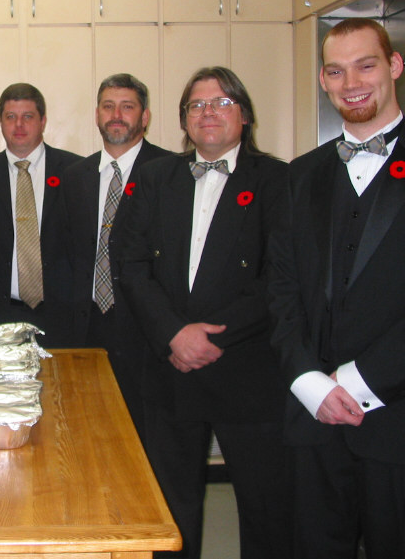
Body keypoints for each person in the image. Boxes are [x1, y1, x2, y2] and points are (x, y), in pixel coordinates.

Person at [269, 18, 405, 559]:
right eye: (336, 71)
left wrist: (357, 381)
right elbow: (280, 290)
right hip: (314, 418)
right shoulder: (298, 176)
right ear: (323, 81)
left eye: (366, 65)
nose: (351, 82)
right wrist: (309, 381)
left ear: (394, 66)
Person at [118, 67, 292, 559]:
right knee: (170, 511)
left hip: (247, 371)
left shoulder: (278, 180)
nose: (208, 112)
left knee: (265, 509)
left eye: (221, 103)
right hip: (169, 369)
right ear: (183, 120)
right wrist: (173, 334)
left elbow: (279, 278)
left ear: (245, 115)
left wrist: (210, 337)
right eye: (196, 105)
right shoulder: (155, 177)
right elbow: (129, 263)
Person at [61, 73, 171, 434]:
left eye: (127, 107)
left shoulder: (171, 173)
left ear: (145, 116)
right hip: (87, 327)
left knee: (145, 437)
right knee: (89, 431)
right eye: (108, 106)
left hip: (147, 333)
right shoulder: (74, 176)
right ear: (97, 115)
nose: (117, 115)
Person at [0, 83, 82, 344]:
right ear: (1, 122)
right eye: (10, 117)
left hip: (63, 312)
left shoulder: (75, 172)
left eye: (28, 116)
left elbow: (84, 239)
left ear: (43, 121)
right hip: (0, 312)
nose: (19, 125)